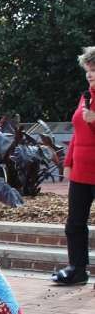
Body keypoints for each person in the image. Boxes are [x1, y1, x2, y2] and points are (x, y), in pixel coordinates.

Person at [53, 46, 95, 286]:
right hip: (81, 171)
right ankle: (77, 269)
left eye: (94, 70)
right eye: (88, 70)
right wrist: (68, 163)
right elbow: (78, 133)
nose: (90, 74)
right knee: (75, 223)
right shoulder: (85, 97)